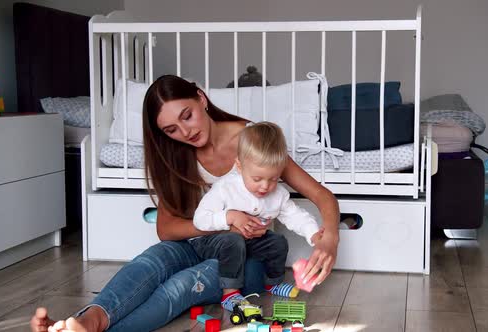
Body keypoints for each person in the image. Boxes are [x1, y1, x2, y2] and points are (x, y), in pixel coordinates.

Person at [30, 75, 339, 332]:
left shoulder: (254, 143)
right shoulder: (176, 154)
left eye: (187, 116)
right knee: (151, 261)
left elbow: (321, 195)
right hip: (199, 241)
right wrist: (224, 221)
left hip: (244, 256)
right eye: (171, 130)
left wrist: (328, 240)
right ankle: (88, 321)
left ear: (201, 99)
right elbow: (166, 229)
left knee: (184, 284)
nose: (186, 132)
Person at [191, 122, 322, 312]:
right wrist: (230, 216)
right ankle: (230, 293)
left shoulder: (278, 194)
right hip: (211, 241)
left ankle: (273, 283)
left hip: (247, 242)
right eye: (257, 179)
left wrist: (314, 234)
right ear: (239, 166)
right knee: (233, 241)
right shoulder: (226, 188)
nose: (265, 187)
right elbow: (200, 220)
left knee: (277, 242)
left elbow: (295, 216)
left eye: (273, 179)